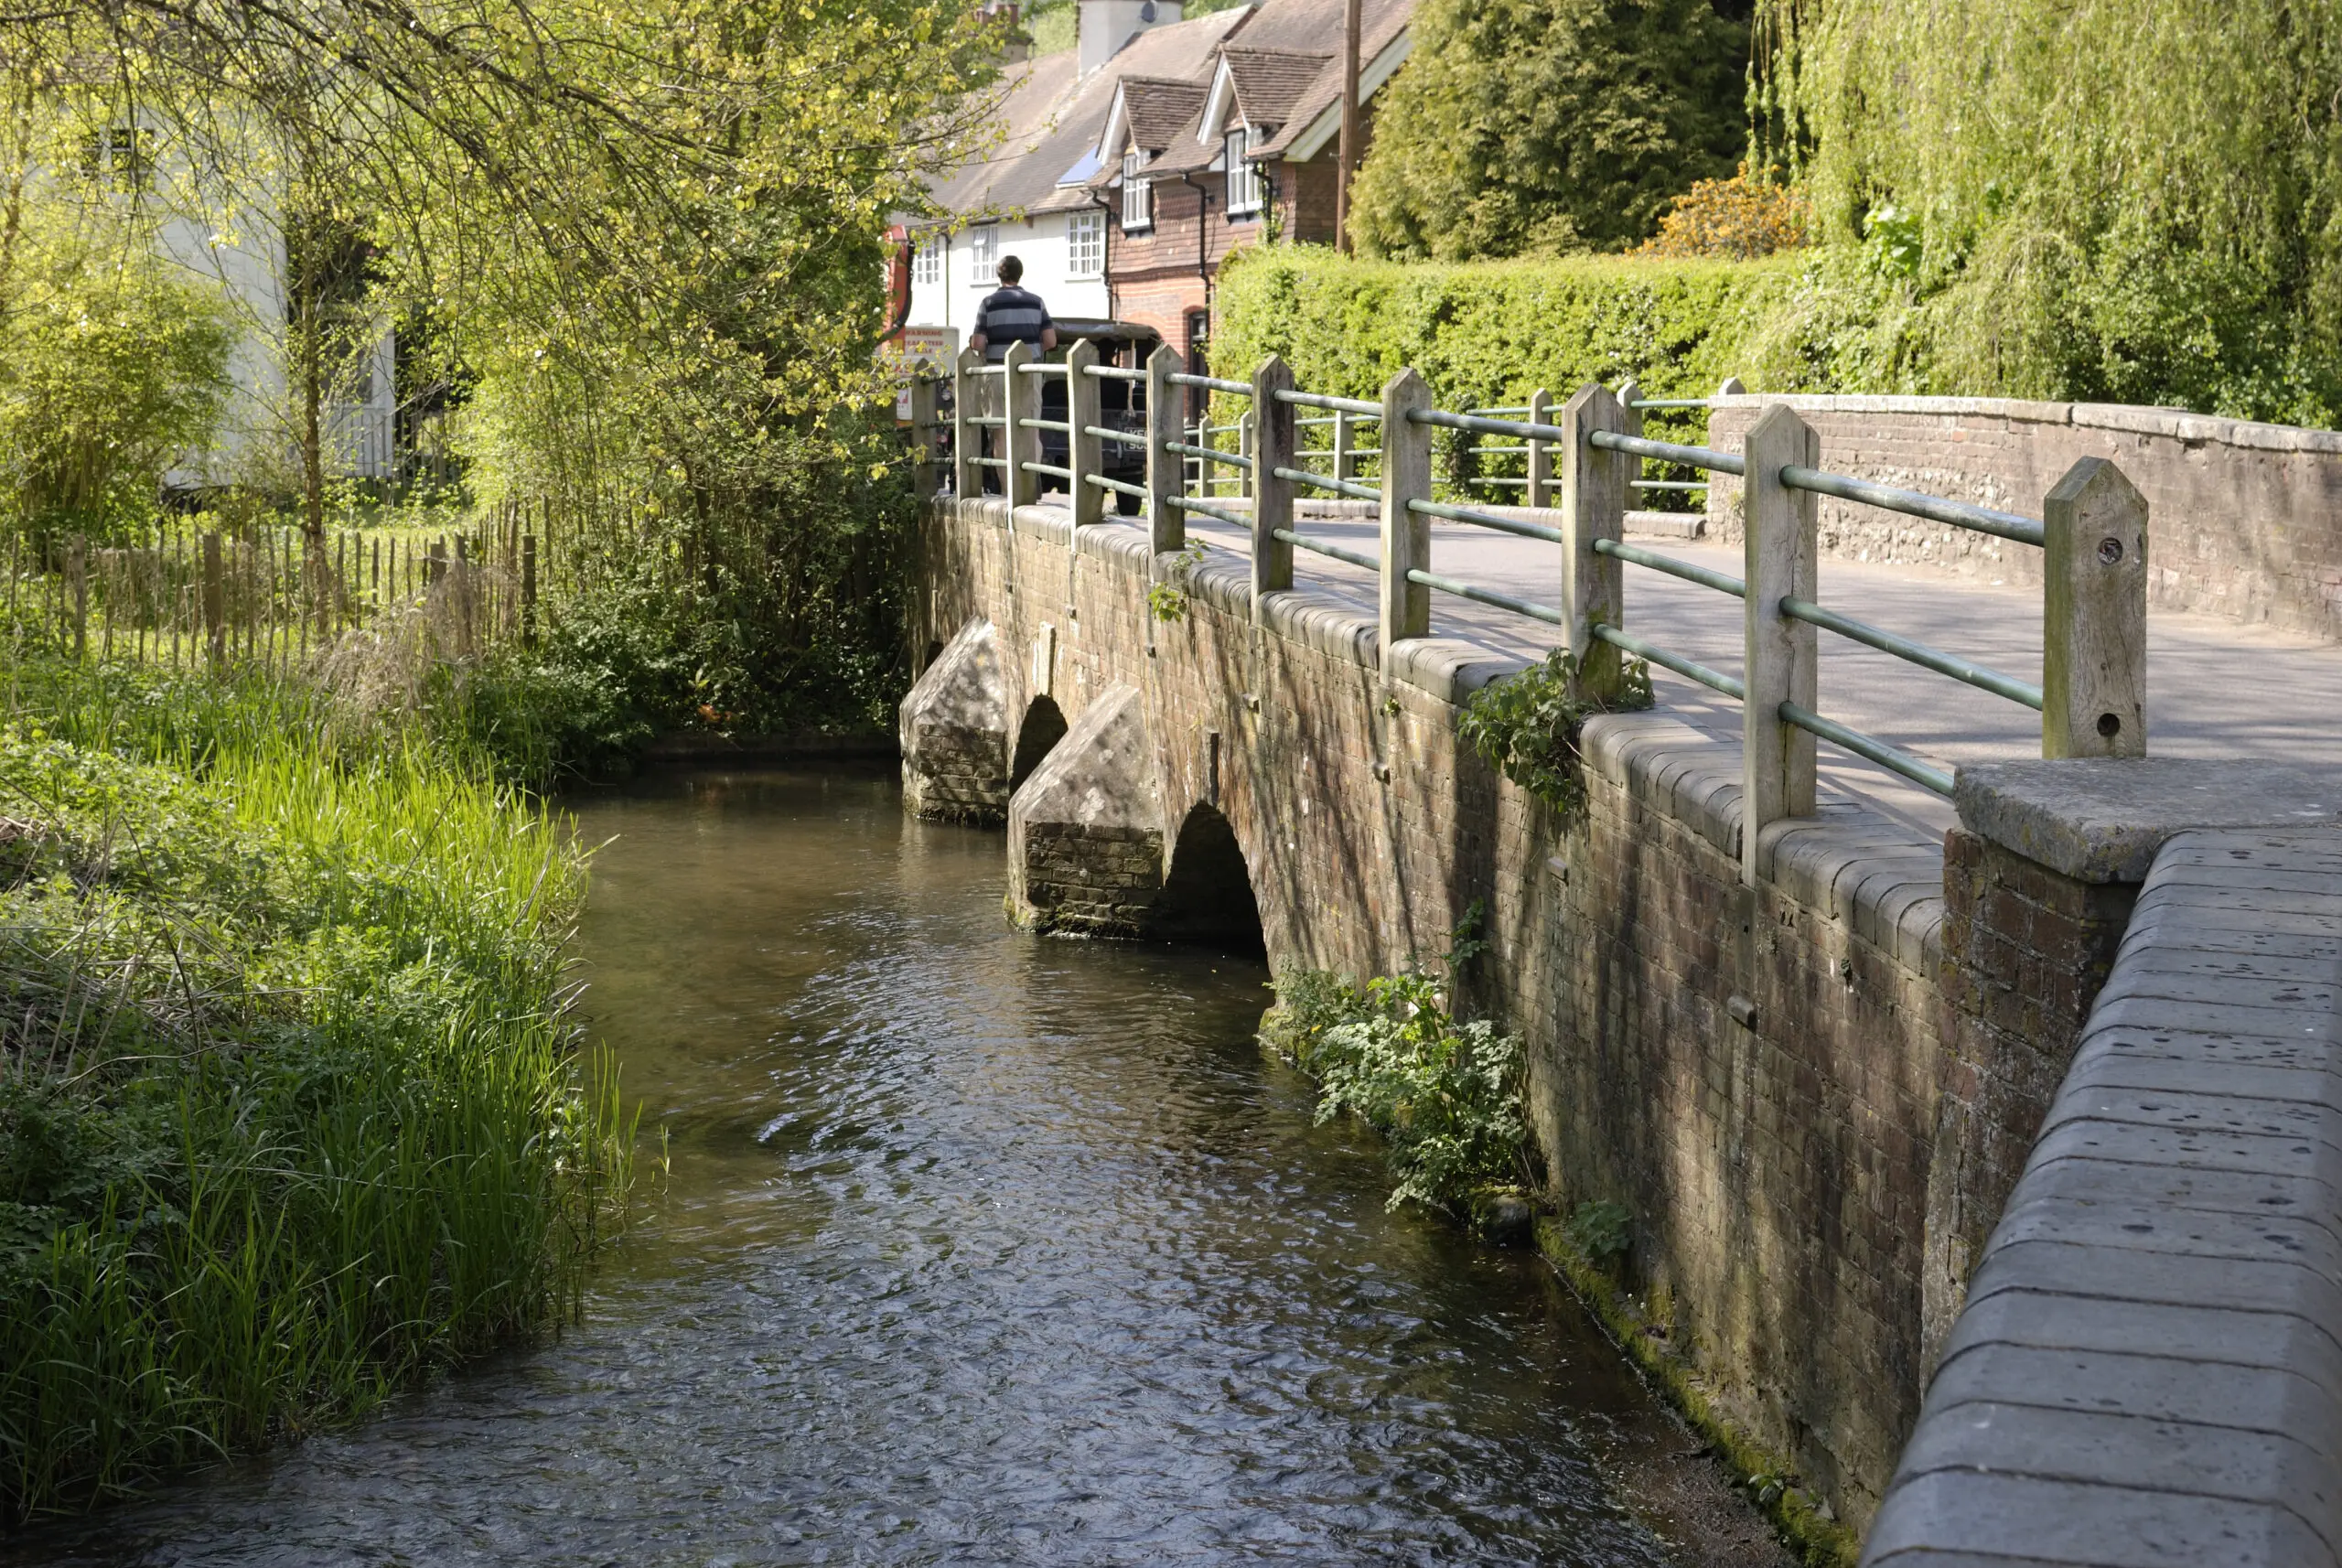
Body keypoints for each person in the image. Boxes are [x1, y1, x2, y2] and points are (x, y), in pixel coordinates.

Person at [969, 255, 1058, 361]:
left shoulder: (988, 303)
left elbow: (978, 344)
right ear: (1020, 274)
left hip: (998, 371)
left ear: (999, 275)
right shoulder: (1037, 303)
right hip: (1030, 370)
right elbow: (1051, 342)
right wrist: (1030, 351)